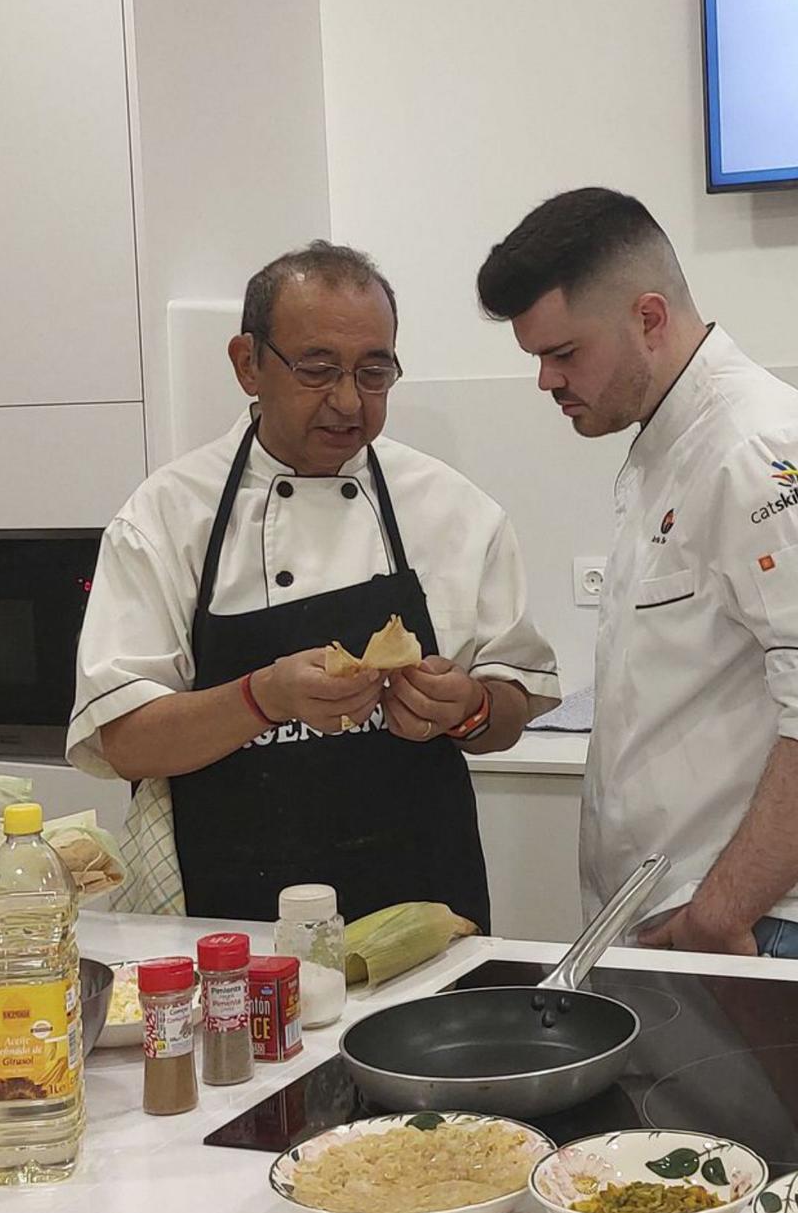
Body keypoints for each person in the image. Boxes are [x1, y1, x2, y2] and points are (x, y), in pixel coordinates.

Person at [69, 240, 560, 928]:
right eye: (317, 369)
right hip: (231, 937)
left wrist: (470, 708)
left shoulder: (454, 511)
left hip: (422, 921)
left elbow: (512, 706)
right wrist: (263, 696)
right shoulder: (167, 516)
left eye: (374, 372)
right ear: (248, 364)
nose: (348, 401)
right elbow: (122, 740)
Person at [477, 188, 798, 963]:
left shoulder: (756, 448)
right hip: (702, 921)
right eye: (536, 357)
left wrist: (719, 913)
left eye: (564, 353)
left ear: (649, 318)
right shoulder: (671, 444)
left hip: (769, 930)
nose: (546, 380)